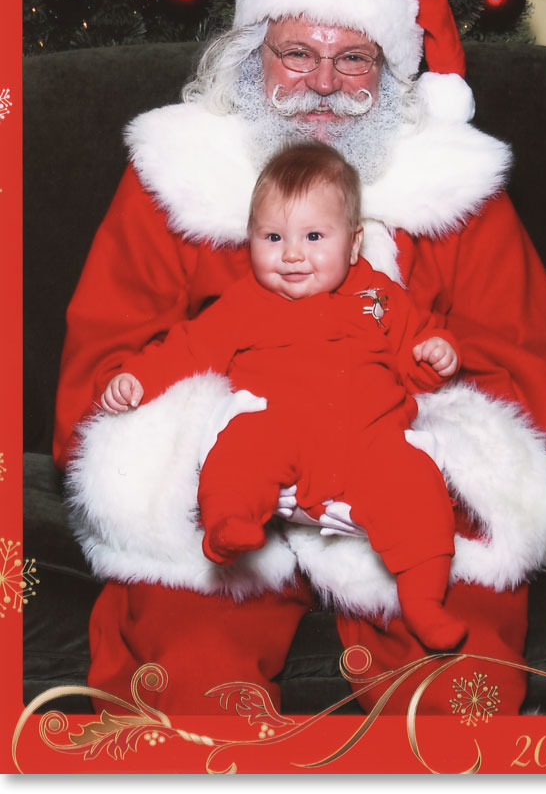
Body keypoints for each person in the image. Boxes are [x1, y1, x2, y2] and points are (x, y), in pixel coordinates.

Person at [58, 0, 546, 716]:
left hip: (392, 468)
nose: (324, 84)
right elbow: (107, 353)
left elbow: (530, 357)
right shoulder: (173, 180)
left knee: (459, 680)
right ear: (252, 59)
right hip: (225, 489)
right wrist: (217, 438)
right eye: (297, 52)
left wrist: (428, 441)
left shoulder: (458, 193)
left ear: (393, 76)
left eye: (353, 59)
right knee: (188, 675)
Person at [99, 141, 469, 652]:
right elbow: (189, 347)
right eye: (272, 237)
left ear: (354, 243)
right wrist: (138, 378)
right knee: (238, 451)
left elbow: (414, 354)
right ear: (249, 239)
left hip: (370, 437)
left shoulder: (380, 297)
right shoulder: (244, 302)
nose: (292, 254)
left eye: (314, 236)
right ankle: (228, 523)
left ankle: (424, 601)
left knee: (419, 491)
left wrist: (434, 355)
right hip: (277, 425)